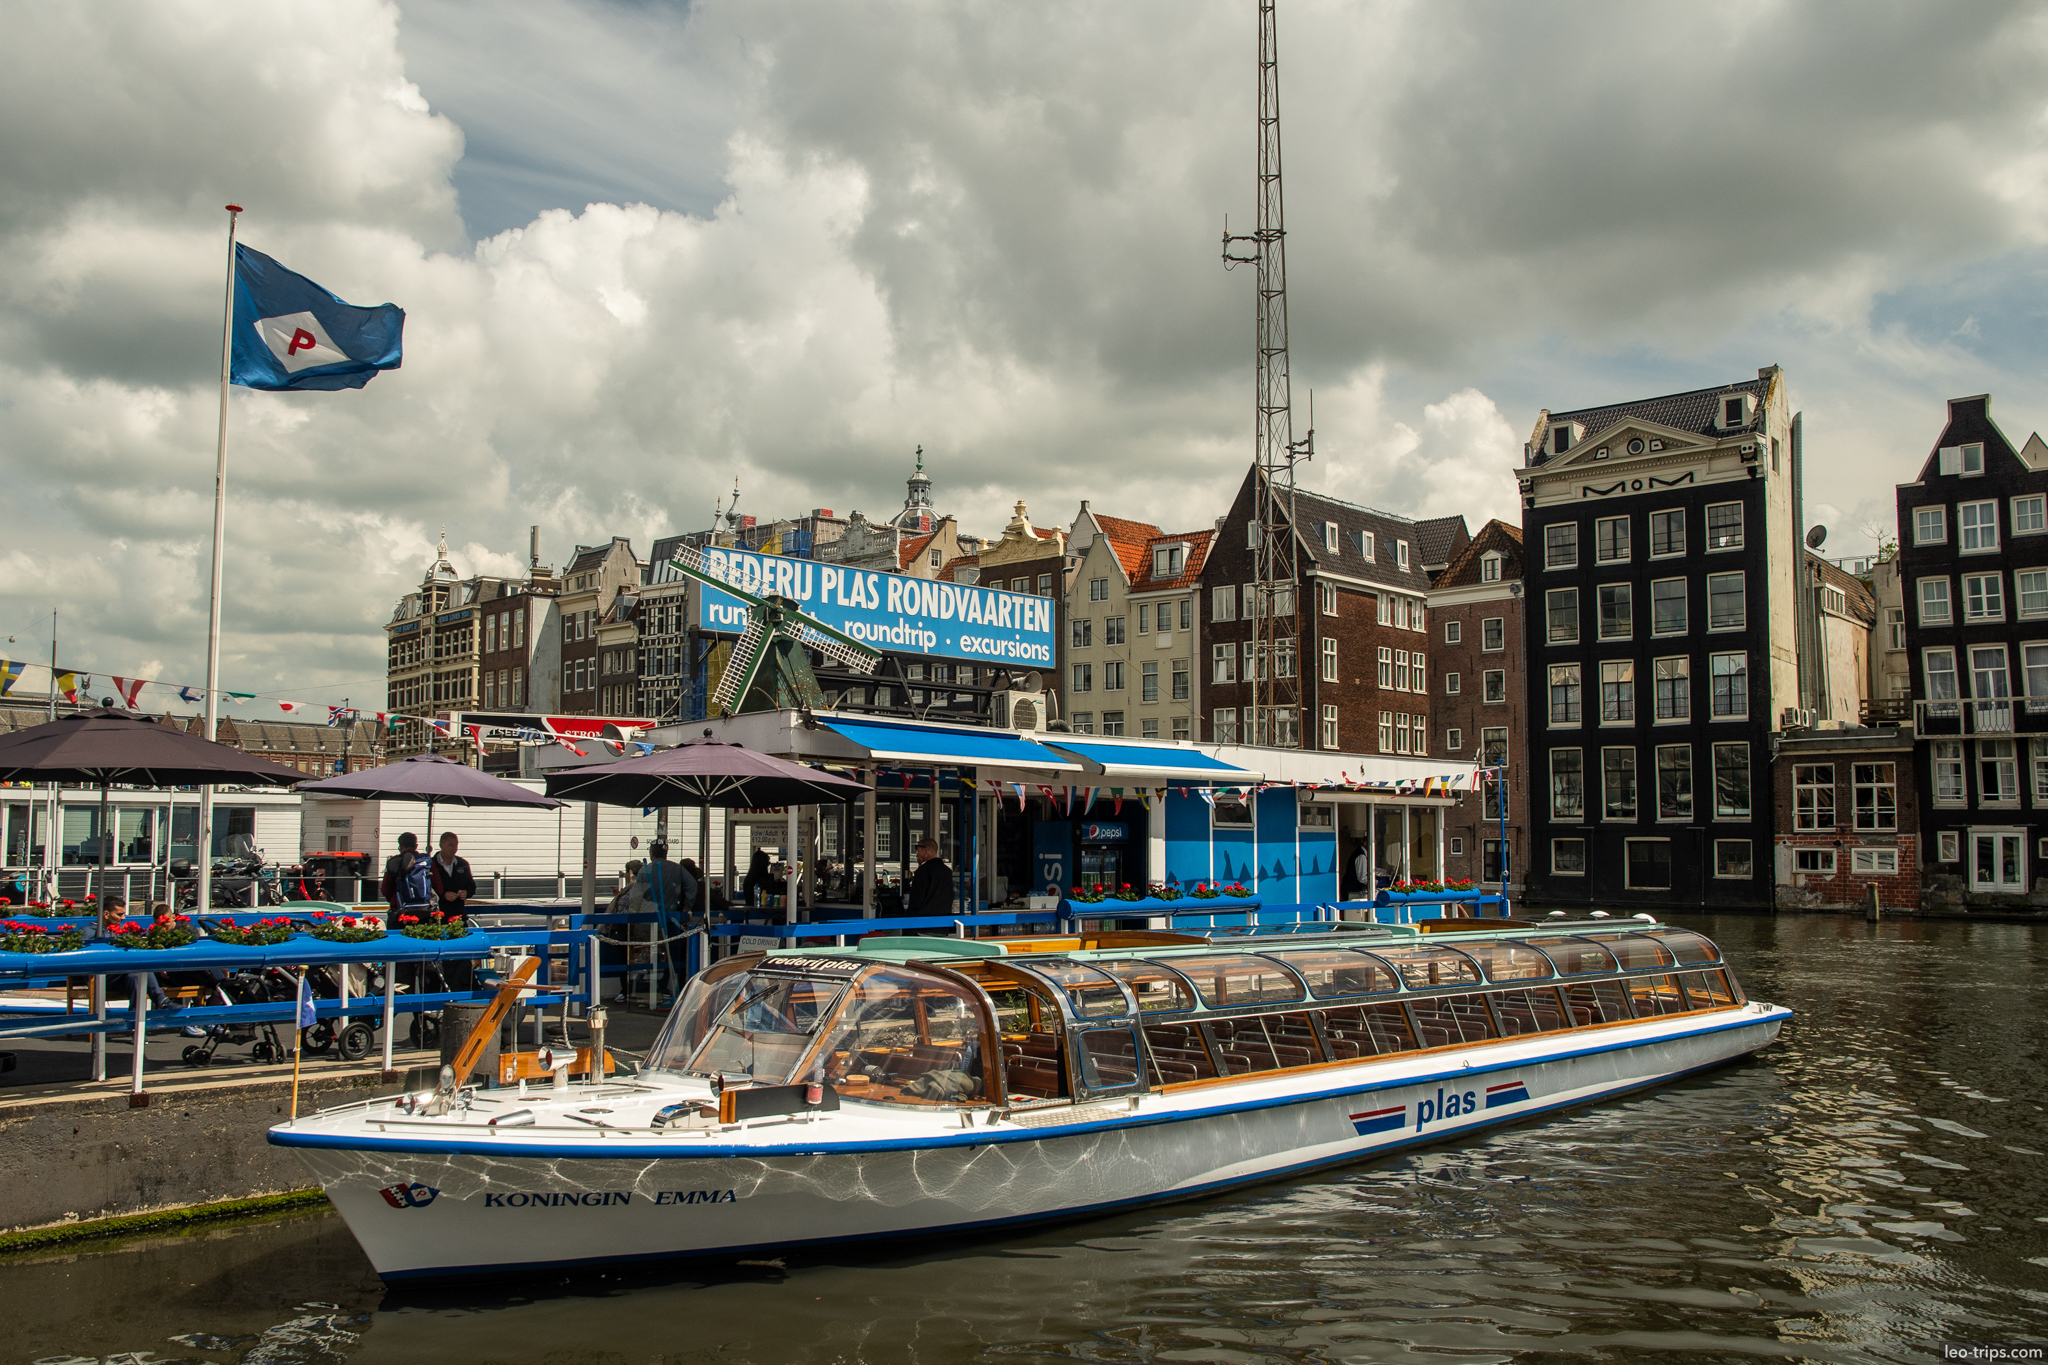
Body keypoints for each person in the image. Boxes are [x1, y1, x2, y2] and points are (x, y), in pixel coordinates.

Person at [380, 833, 432, 917]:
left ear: (400, 847)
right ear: (416, 846)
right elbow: (437, 884)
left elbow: (385, 889)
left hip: (400, 910)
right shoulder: (425, 861)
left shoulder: (394, 862)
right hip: (424, 909)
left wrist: (393, 900)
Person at [905, 837, 952, 918]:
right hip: (943, 920)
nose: (917, 855)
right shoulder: (947, 871)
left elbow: (917, 898)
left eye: (918, 851)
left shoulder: (923, 872)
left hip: (924, 920)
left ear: (926, 851)